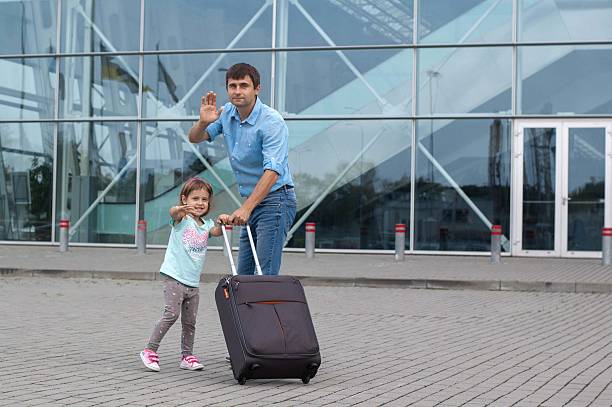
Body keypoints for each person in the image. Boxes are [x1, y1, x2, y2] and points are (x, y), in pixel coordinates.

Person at [188, 62, 296, 276]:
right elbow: (195, 138)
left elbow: (273, 171)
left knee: (265, 275)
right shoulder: (228, 113)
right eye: (232, 86)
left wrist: (246, 208)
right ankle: (246, 310)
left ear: (257, 89)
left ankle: (268, 309)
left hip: (275, 201)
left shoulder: (271, 122)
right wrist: (202, 123)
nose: (237, 91)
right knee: (243, 275)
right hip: (251, 201)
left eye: (244, 85)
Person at [140, 177, 228, 372]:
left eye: (204, 200)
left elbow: (216, 231)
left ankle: (187, 356)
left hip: (193, 282)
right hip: (175, 277)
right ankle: (149, 350)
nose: (200, 203)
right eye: (195, 198)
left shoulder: (205, 224)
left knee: (190, 322)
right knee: (171, 314)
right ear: (184, 199)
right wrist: (179, 210)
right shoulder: (181, 219)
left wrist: (222, 222)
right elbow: (173, 212)